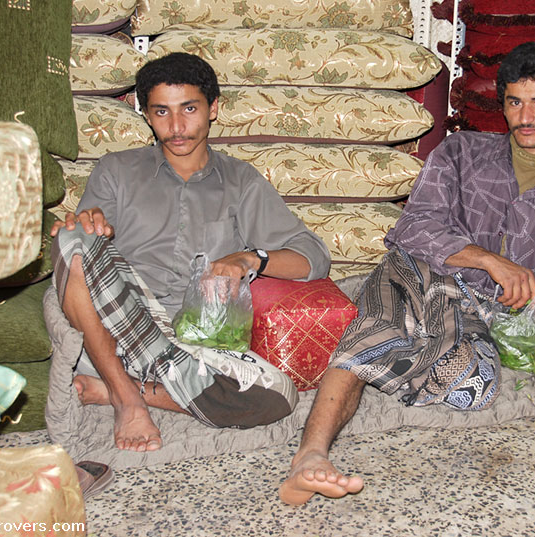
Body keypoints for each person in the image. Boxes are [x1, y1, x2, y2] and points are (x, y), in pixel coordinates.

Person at [278, 41, 535, 505]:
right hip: (420, 269)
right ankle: (310, 457)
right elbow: (414, 227)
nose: (525, 116)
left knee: (475, 387)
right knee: (379, 324)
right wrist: (490, 259)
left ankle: (385, 343)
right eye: (514, 102)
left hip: (475, 306)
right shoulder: (462, 151)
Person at [50, 52, 330, 453]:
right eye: (161, 111)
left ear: (213, 109)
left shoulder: (241, 182)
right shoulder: (116, 171)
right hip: (111, 331)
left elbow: (313, 257)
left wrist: (251, 258)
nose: (177, 127)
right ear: (143, 112)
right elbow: (83, 254)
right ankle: (128, 398)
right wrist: (90, 225)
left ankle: (122, 387)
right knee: (72, 238)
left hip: (190, 343)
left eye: (190, 109)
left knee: (279, 395)